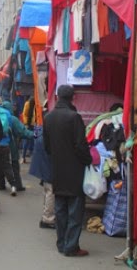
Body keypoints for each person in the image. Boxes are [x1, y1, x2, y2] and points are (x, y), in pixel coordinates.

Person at [43, 84, 93, 257]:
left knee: (60, 209)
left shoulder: (48, 117)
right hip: (74, 170)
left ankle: (62, 243)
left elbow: (47, 146)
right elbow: (80, 145)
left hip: (57, 169)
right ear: (72, 97)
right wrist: (89, 161)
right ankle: (71, 246)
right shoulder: (74, 118)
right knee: (75, 210)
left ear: (57, 96)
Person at [2, 101, 34, 195]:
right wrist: (35, 134)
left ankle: (1, 185)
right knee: (14, 166)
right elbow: (23, 132)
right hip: (11, 147)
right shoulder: (12, 119)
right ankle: (18, 185)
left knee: (2, 166)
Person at [21, 97, 36, 162]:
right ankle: (23, 157)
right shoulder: (28, 103)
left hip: (36, 125)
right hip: (28, 124)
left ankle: (33, 158)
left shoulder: (39, 104)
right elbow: (24, 114)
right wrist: (26, 123)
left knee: (34, 142)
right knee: (26, 141)